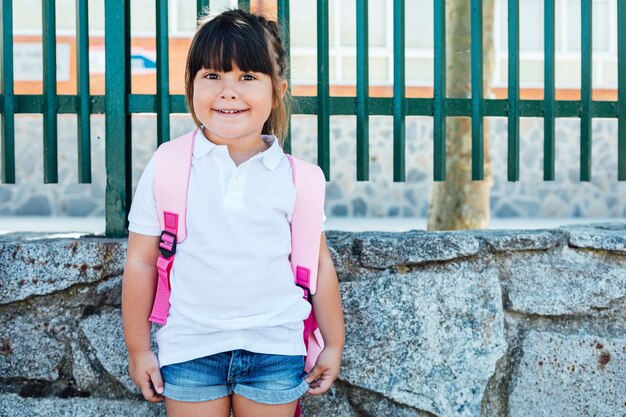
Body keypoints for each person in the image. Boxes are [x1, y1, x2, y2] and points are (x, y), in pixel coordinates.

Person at [121, 8, 345, 417]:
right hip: (190, 348)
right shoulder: (169, 164)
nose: (228, 91)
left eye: (247, 77)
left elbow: (319, 265)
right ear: (190, 85)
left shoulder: (300, 180)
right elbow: (140, 261)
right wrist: (139, 349)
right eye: (212, 76)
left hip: (275, 349)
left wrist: (334, 342)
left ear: (277, 90)